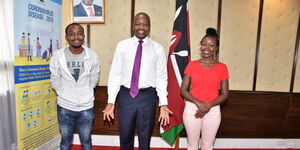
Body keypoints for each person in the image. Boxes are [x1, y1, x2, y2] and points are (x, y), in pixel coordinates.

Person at [102, 12, 172, 150]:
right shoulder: (122, 46)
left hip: (147, 97)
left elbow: (161, 77)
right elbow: (115, 74)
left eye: (145, 24)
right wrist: (111, 101)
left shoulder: (157, 48)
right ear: (133, 26)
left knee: (145, 137)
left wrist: (163, 103)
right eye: (138, 24)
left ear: (149, 27)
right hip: (126, 96)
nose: (141, 27)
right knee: (125, 135)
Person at [50, 23, 100, 150]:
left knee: (86, 142)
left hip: (86, 107)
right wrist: (62, 93)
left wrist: (88, 90)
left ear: (83, 36)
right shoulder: (58, 55)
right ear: (67, 37)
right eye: (71, 34)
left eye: (79, 33)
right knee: (65, 142)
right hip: (65, 106)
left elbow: (94, 76)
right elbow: (55, 77)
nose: (75, 37)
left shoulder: (92, 55)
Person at [180, 28, 229, 150]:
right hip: (192, 108)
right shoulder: (192, 65)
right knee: (192, 146)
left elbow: (224, 93)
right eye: (204, 44)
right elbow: (183, 90)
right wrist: (199, 104)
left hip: (212, 110)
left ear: (216, 48)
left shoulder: (222, 67)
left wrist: (207, 106)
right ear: (200, 46)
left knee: (208, 146)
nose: (206, 48)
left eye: (211, 45)